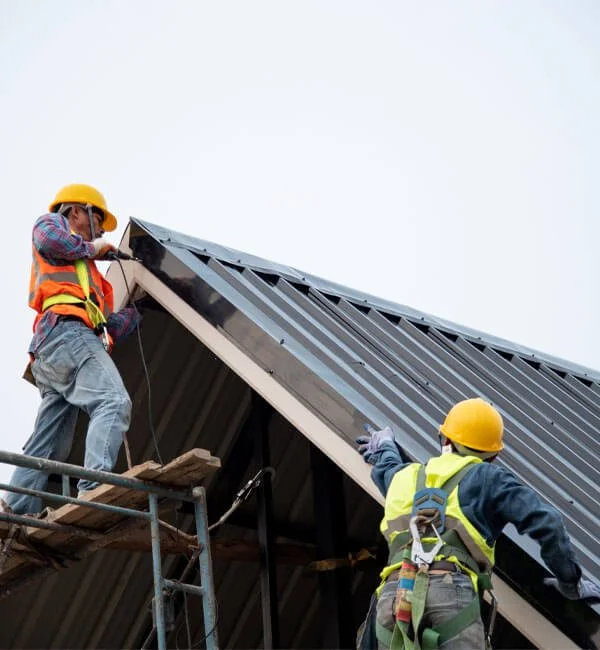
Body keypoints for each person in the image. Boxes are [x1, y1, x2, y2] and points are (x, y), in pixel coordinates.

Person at [355, 397, 600, 650]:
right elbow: (547, 522)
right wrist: (570, 581)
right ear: (492, 456)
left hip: (395, 598)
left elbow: (387, 468)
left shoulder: (404, 478)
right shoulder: (487, 478)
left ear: (445, 439)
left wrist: (385, 446)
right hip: (450, 596)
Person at [3, 183, 141, 516]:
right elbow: (50, 241)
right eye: (96, 219)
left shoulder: (87, 274)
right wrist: (95, 248)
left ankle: (17, 508)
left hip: (57, 349)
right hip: (65, 335)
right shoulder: (51, 225)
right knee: (112, 400)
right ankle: (93, 488)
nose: (99, 230)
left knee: (51, 441)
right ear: (76, 211)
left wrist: (137, 313)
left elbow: (107, 324)